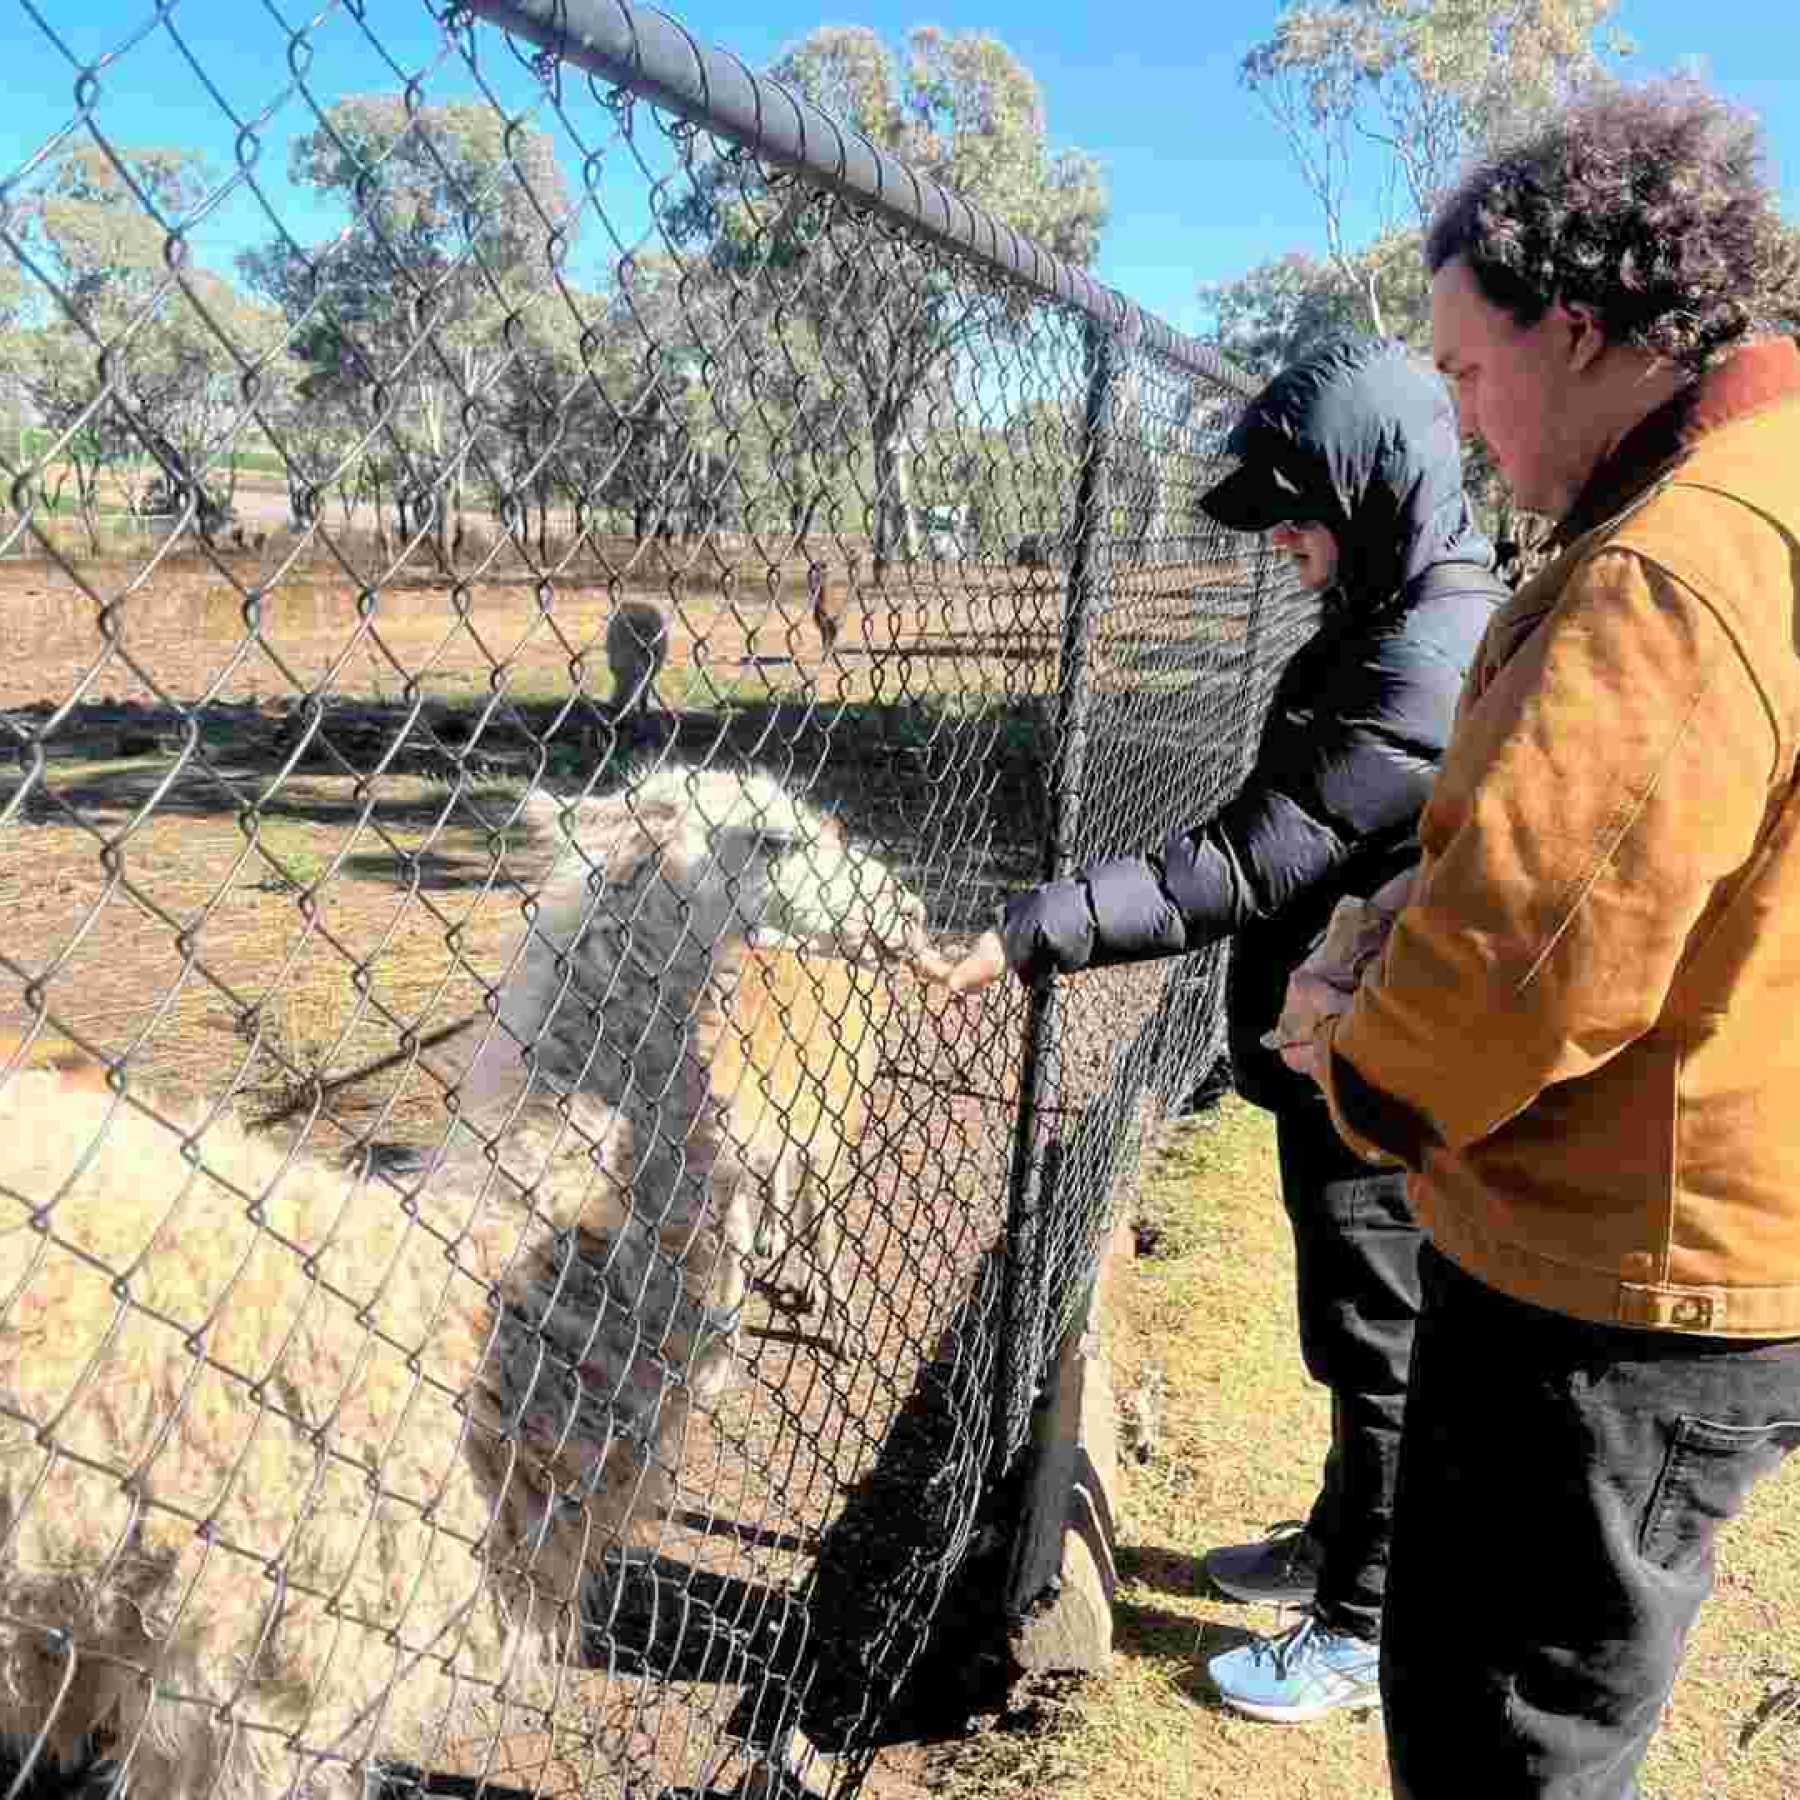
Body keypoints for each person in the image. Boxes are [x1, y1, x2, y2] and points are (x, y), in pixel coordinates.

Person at [1274, 79, 1800, 1796]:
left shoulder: (1680, 562)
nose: (1463, 414)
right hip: (1713, 1230)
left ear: (1578, 332)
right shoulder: (1764, 487)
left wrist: (1352, 1061)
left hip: (1608, 1285)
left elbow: (1534, 947)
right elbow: (1652, 852)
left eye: (1469, 370)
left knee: (1509, 1746)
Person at [941, 337, 1505, 1719]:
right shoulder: (1393, 607)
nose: (1287, 548)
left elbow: (1248, 864)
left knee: (1382, 1346)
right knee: (1350, 1332)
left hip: (1376, 1063)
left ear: (1372, 491)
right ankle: (1340, 1545)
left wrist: (1035, 928)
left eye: (1300, 515)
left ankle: (1368, 1624)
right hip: (1341, 1052)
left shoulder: (1420, 662)